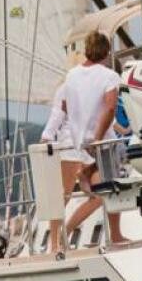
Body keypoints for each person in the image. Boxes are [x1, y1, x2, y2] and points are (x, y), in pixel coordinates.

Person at [42, 32, 124, 254]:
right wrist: (96, 136)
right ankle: (58, 239)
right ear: (106, 53)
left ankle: (108, 234)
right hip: (86, 145)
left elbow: (68, 108)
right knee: (78, 194)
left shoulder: (73, 77)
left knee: (102, 193)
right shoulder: (104, 76)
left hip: (80, 143)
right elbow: (106, 108)